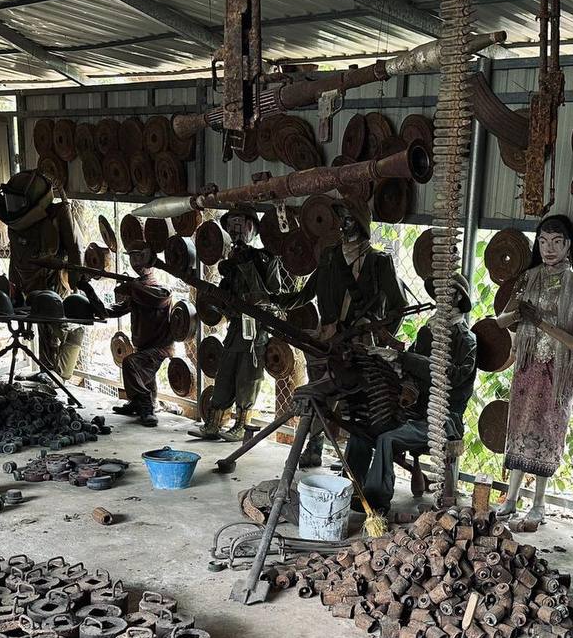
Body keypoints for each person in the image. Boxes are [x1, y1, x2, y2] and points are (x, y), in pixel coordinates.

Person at [275, 199, 407, 468]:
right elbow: (305, 294)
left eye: (350, 220)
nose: (344, 225)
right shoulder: (329, 257)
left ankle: (354, 460)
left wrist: (381, 335)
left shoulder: (378, 262)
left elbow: (398, 306)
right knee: (318, 397)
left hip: (359, 344)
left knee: (357, 403)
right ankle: (313, 449)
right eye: (341, 219)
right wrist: (272, 301)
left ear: (361, 225)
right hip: (326, 341)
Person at [493, 215, 573, 526]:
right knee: (520, 428)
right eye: (543, 241)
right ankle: (510, 499)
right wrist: (517, 314)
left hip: (557, 371)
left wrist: (541, 323)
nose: (548, 248)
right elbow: (500, 321)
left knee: (548, 430)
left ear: (568, 245)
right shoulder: (528, 277)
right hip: (526, 367)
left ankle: (538, 503)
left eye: (556, 242)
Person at [344, 274, 478, 515]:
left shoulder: (467, 341)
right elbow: (410, 370)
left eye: (446, 292)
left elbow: (454, 378)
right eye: (437, 291)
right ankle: (345, 491)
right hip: (411, 411)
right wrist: (391, 361)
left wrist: (407, 359)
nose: (439, 297)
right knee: (360, 434)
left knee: (387, 439)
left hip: (442, 419)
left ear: (458, 297)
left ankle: (376, 501)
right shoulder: (427, 333)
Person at [189, 207, 279, 442]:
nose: (236, 231)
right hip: (235, 329)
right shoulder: (230, 262)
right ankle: (214, 423)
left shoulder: (264, 259)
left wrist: (247, 264)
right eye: (231, 226)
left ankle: (241, 424)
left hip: (255, 331)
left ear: (252, 228)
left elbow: (271, 295)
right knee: (225, 375)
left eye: (241, 225)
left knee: (247, 379)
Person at [0, 169, 84, 381]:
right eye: (11, 201)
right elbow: (15, 257)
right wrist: (12, 286)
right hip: (27, 284)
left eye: (18, 202)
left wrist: (76, 279)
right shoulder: (16, 225)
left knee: (56, 327)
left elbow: (75, 249)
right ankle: (46, 371)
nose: (13, 207)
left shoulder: (57, 215)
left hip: (52, 281)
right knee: (43, 330)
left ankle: (59, 375)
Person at [79, 242, 173, 427]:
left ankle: (146, 406)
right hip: (144, 347)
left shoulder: (160, 290)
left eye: (140, 256)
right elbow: (108, 311)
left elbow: (155, 298)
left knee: (131, 363)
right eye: (132, 257)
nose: (136, 262)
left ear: (150, 260)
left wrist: (131, 287)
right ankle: (139, 402)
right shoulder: (136, 290)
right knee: (140, 371)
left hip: (160, 348)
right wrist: (88, 290)